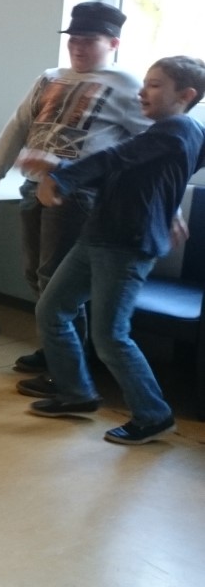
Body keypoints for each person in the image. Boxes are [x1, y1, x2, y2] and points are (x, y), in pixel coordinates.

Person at [25, 55, 205, 445]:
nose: (142, 91)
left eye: (155, 85)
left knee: (110, 335)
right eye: (145, 82)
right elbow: (129, 173)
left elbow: (113, 158)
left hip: (127, 245)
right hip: (98, 235)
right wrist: (58, 169)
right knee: (53, 309)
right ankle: (76, 392)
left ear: (186, 95)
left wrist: (61, 177)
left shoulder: (178, 129)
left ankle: (153, 415)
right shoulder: (168, 134)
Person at [0, 2, 151, 372]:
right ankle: (58, 350)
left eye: (89, 41)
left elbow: (151, 149)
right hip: (33, 187)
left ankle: (68, 367)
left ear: (113, 43)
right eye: (73, 40)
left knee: (59, 282)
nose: (78, 48)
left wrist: (167, 206)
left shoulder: (128, 86)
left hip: (76, 195)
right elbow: (17, 127)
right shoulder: (49, 78)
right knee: (35, 275)